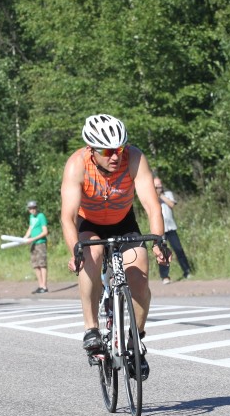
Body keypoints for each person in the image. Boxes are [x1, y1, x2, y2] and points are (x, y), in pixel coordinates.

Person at [61, 114, 169, 380]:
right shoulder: (77, 165)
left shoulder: (134, 159)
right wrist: (74, 249)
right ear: (91, 149)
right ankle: (91, 329)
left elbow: (153, 206)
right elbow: (67, 216)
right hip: (91, 225)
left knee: (140, 279)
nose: (115, 156)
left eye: (119, 149)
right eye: (108, 151)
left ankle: (135, 341)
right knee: (92, 254)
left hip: (124, 222)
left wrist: (158, 239)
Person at [154, 178, 193, 284]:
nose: (159, 188)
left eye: (159, 186)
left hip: (171, 227)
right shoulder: (151, 196)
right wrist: (155, 195)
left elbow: (171, 204)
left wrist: (161, 195)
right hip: (160, 229)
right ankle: (165, 276)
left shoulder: (168, 194)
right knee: (162, 253)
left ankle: (187, 271)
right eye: (156, 186)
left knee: (178, 249)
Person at [23, 200, 49, 294]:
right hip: (33, 243)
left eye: (34, 208)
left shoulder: (41, 216)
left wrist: (33, 238)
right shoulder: (31, 217)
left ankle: (44, 286)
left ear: (36, 208)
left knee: (42, 264)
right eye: (30, 208)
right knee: (35, 264)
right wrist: (25, 238)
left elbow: (45, 232)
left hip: (40, 243)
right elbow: (30, 228)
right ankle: (40, 285)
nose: (32, 210)